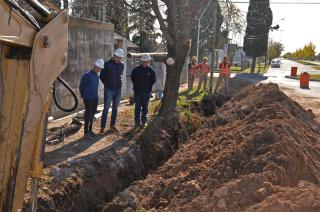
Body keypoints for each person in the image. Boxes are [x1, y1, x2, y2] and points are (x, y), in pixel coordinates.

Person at [100, 48, 125, 133]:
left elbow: (120, 75)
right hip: (109, 89)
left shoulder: (122, 65)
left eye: (120, 58)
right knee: (106, 108)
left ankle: (112, 126)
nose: (118, 59)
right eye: (117, 57)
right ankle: (102, 127)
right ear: (114, 56)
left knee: (115, 108)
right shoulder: (107, 64)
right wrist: (107, 84)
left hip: (118, 90)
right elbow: (102, 76)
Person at [79, 59, 104, 136]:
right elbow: (81, 86)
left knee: (92, 114)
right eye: (98, 67)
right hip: (88, 98)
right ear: (94, 65)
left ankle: (90, 130)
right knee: (88, 114)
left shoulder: (97, 76)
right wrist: (82, 95)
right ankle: (86, 132)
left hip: (95, 98)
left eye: (100, 68)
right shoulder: (87, 75)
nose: (99, 69)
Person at [131, 53, 156, 129]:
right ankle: (137, 123)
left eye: (147, 61)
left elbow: (153, 80)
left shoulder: (151, 71)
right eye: (144, 61)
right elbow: (133, 78)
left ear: (149, 61)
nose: (145, 63)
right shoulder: (136, 70)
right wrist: (137, 86)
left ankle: (144, 122)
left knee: (145, 107)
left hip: (146, 92)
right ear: (141, 61)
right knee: (137, 107)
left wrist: (148, 88)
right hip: (137, 92)